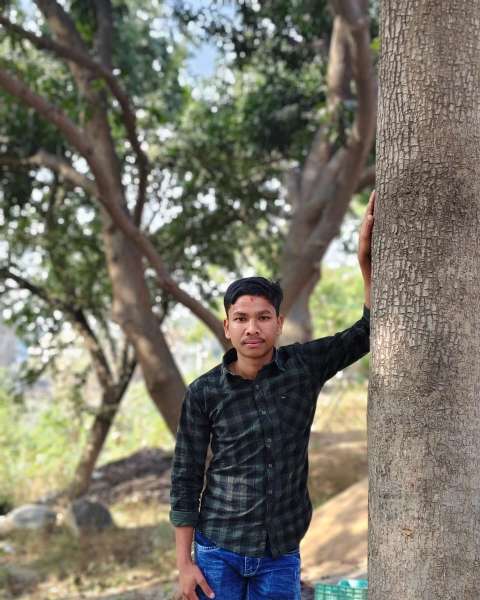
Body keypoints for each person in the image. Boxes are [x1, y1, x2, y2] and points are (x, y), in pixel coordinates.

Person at [170, 191, 375, 600]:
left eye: (263, 317)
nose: (252, 328)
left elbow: (364, 333)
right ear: (227, 326)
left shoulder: (303, 368)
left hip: (280, 554)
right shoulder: (204, 392)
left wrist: (365, 265)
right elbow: (186, 477)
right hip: (217, 552)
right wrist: (184, 564)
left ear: (278, 323)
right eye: (241, 319)